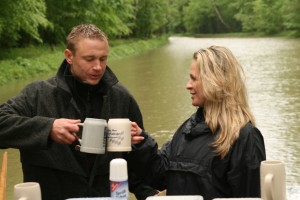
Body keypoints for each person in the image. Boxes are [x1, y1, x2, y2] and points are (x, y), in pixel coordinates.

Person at [0, 24, 159, 200]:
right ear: (69, 56)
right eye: (89, 59)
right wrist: (47, 128)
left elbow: (135, 169)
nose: (98, 67)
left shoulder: (122, 99)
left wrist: (152, 195)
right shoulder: (37, 94)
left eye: (103, 59)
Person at [130, 45, 266, 200]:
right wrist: (141, 142)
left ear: (214, 82)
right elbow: (161, 176)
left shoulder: (245, 137)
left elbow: (250, 195)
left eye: (194, 79)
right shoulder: (187, 129)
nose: (188, 85)